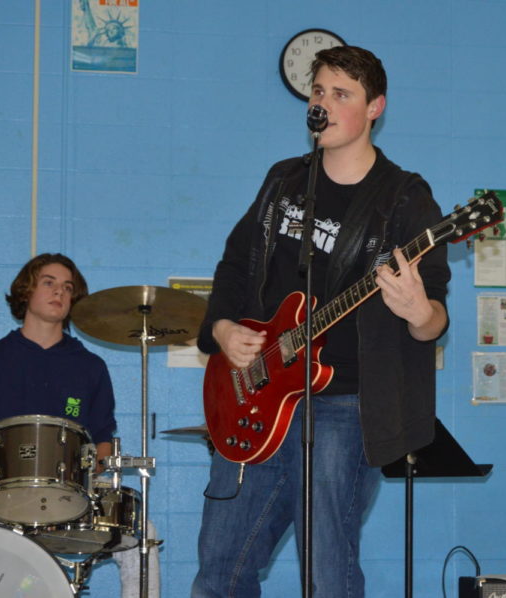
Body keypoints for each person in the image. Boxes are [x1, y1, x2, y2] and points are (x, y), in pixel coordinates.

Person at [192, 45, 451, 597]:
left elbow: (434, 321)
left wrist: (418, 311)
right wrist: (219, 330)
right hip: (256, 394)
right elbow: (236, 263)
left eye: (342, 94)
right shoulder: (284, 180)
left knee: (327, 574)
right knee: (220, 570)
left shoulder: (405, 199)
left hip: (343, 405)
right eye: (318, 91)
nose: (324, 103)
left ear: (375, 107)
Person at [0, 252, 158, 598]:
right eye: (48, 283)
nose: (59, 292)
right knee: (1, 567)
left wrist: (98, 470)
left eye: (67, 287)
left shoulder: (90, 367)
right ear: (26, 292)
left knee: (142, 534)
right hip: (4, 490)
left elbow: (103, 438)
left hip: (73, 488)